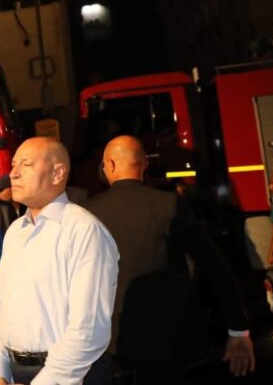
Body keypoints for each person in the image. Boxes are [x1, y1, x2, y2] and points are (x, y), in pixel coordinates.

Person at [80, 135, 254, 383]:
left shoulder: (87, 212)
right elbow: (215, 266)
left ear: (109, 164)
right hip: (169, 338)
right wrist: (238, 329)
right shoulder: (170, 204)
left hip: (110, 340)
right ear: (144, 164)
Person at [0, 137, 119, 385]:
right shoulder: (15, 231)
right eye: (13, 165)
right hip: (15, 372)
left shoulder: (84, 231)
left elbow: (88, 330)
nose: (13, 173)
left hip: (70, 376)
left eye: (26, 164)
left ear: (57, 173)